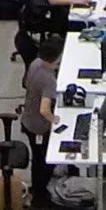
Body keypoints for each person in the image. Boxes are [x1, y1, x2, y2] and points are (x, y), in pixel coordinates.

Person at [21, 34, 63, 207]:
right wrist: (56, 120)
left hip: (28, 119)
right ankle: (40, 197)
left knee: (37, 159)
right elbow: (44, 110)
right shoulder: (49, 79)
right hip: (39, 126)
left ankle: (37, 188)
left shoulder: (35, 63)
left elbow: (27, 84)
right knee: (44, 160)